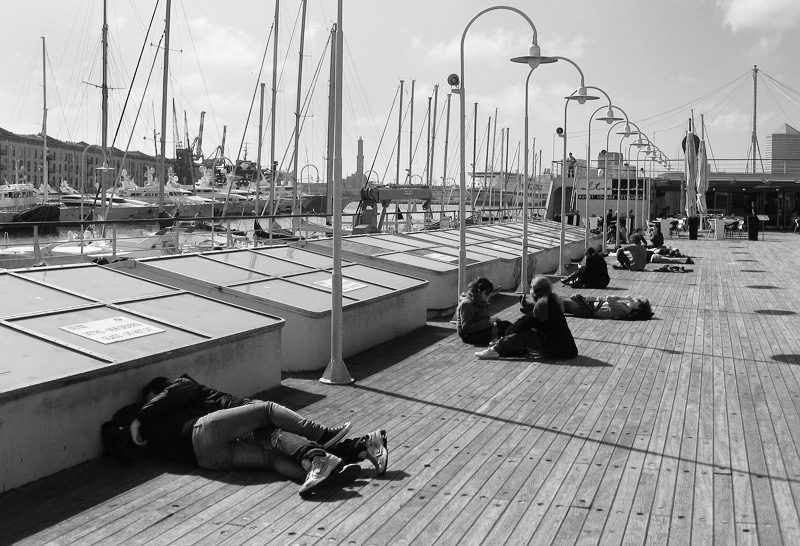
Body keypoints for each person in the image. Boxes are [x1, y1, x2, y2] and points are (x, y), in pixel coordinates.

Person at [127, 376, 388, 496]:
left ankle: (356, 451)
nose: (158, 406)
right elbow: (181, 395)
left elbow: (179, 391)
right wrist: (140, 418)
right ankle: (323, 443)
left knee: (274, 458)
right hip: (211, 432)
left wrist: (140, 419)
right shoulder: (166, 412)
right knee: (269, 417)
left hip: (208, 457)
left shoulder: (176, 396)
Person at [474, 276, 578, 361]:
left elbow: (528, 322)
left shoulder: (543, 304)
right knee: (528, 332)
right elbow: (534, 318)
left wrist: (509, 331)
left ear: (537, 290)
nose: (530, 291)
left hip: (560, 351)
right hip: (568, 349)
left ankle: (495, 349)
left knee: (526, 334)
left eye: (532, 288)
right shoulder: (550, 299)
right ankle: (500, 346)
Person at [456, 277, 511, 345]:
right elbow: (466, 327)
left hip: (479, 330)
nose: (488, 296)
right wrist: (488, 322)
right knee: (503, 329)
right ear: (479, 291)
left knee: (506, 325)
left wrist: (493, 322)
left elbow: (483, 319)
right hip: (468, 335)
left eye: (489, 294)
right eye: (486, 293)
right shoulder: (467, 304)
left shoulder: (481, 300)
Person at [562, 294, 654, 321]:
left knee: (560, 303)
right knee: (561, 304)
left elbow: (609, 298)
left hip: (588, 309)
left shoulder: (625, 309)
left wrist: (624, 298)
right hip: (590, 306)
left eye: (639, 300)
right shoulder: (626, 309)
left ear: (638, 307)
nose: (637, 298)